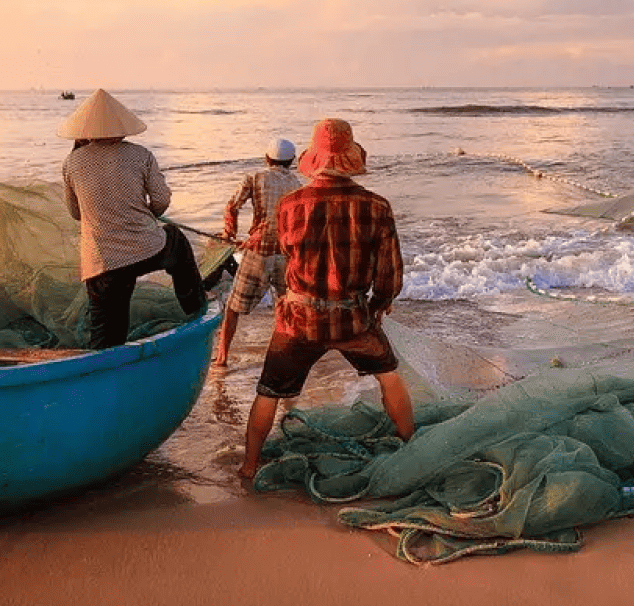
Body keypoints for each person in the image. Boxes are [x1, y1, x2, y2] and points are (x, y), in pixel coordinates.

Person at [240, 118, 412, 483]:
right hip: (353, 318)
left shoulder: (289, 205)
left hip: (298, 319)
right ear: (350, 158)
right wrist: (379, 305)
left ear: (313, 160)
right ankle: (410, 447)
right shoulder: (377, 206)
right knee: (390, 378)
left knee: (268, 391)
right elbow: (390, 274)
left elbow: (286, 253)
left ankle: (249, 465)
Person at [58, 89, 207, 349]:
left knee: (106, 337)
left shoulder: (72, 163)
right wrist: (144, 211)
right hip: (146, 249)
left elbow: (76, 213)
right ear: (121, 128)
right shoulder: (141, 155)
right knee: (176, 241)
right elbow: (160, 202)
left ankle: (103, 377)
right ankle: (196, 309)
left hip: (102, 262)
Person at [213, 137, 304, 366]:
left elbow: (232, 206)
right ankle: (283, 355)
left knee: (234, 307)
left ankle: (222, 357)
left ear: (267, 159)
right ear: (291, 161)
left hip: (258, 251)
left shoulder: (255, 178)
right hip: (286, 253)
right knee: (283, 308)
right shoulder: (299, 186)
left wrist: (229, 233)